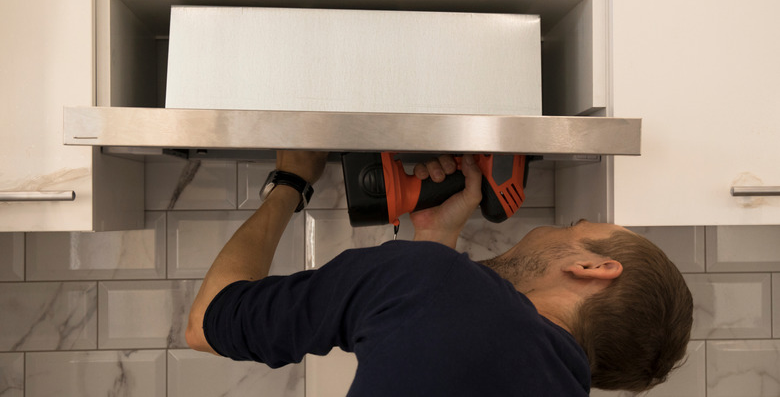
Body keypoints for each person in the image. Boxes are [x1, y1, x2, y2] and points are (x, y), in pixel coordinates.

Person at [186, 151, 693, 395]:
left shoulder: (431, 285)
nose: (546, 230)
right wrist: (433, 241)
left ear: (591, 268)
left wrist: (292, 177)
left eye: (572, 226)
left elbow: (209, 321)